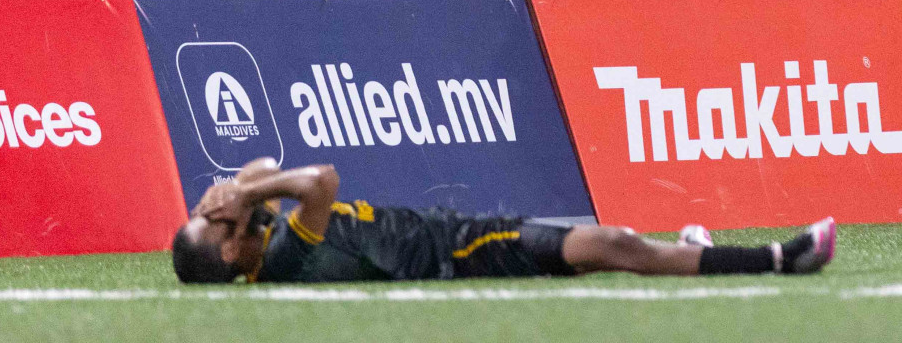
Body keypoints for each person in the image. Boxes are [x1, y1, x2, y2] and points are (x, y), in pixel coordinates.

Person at [172, 158, 835, 284]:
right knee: (613, 243)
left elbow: (262, 163)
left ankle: (690, 249)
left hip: (455, 233)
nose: (233, 216)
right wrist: (245, 194)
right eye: (219, 226)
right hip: (464, 254)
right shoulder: (285, 261)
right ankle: (778, 258)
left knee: (612, 244)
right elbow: (320, 180)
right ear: (233, 255)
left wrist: (230, 193)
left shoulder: (267, 239)